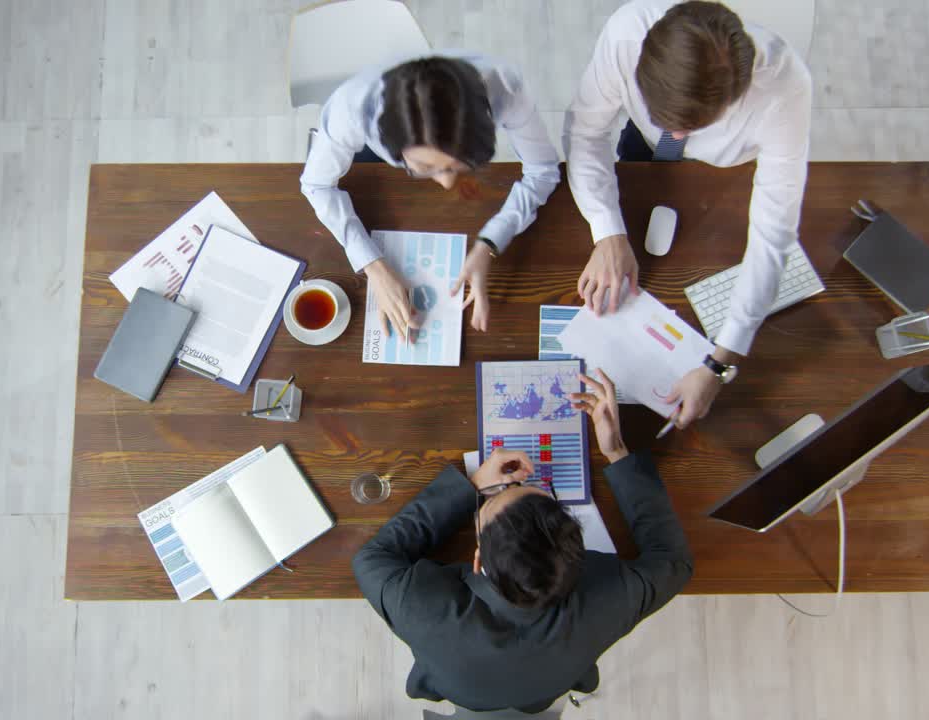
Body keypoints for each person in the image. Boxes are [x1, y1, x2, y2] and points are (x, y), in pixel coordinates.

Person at [352, 370, 693, 713]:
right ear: (579, 553)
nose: (510, 486)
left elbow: (371, 558)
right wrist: (617, 450)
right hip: (545, 688)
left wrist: (471, 487)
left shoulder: (420, 608)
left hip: (461, 687)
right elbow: (674, 562)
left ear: (476, 560)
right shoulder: (608, 603)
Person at [565, 0, 811, 429]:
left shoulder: (785, 91)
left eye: (690, 128)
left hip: (723, 175)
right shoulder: (627, 32)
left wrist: (719, 362)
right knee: (636, 154)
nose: (677, 136)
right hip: (642, 154)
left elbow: (773, 234)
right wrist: (607, 232)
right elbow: (585, 132)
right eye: (667, 120)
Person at [300, 54, 561, 338]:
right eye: (425, 168)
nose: (447, 183)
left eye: (460, 165)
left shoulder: (505, 87)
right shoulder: (351, 109)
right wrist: (374, 267)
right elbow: (316, 185)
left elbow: (543, 171)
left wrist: (489, 241)